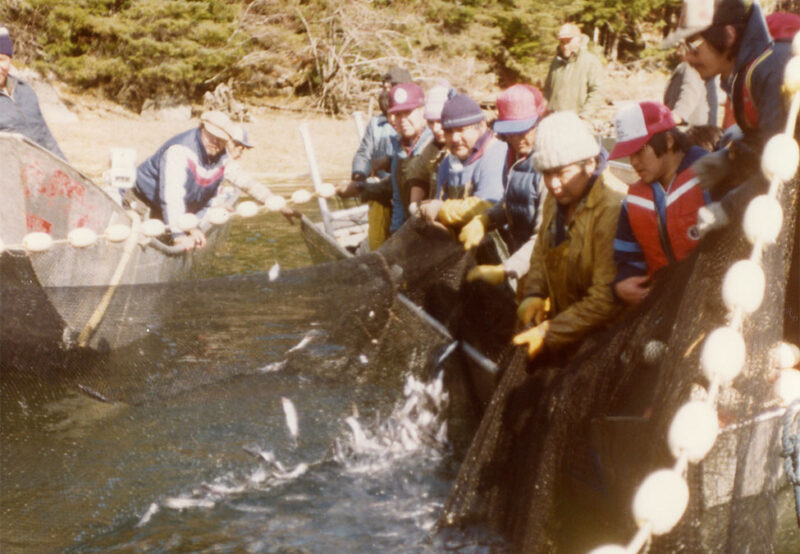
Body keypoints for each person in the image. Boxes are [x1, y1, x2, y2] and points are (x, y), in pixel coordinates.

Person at [662, 0, 796, 231]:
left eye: (694, 46)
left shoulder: (771, 68)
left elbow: (783, 163)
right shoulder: (745, 72)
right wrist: (731, 159)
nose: (688, 58)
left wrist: (729, 207)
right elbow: (763, 143)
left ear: (728, 35)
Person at [513, 111, 625, 361]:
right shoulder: (557, 199)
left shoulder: (612, 208)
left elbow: (605, 298)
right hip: (567, 329)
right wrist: (534, 293)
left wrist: (550, 331)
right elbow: (542, 249)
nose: (552, 184)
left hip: (603, 343)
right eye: (546, 173)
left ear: (590, 163)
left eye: (561, 172)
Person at [132, 111, 287, 251]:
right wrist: (179, 236)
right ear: (202, 129)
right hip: (143, 202)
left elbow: (247, 182)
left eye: (221, 139)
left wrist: (276, 203)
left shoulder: (222, 157)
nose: (215, 142)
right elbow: (173, 196)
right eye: (211, 135)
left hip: (171, 211)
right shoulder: (180, 151)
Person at [609, 101, 709, 306]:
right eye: (629, 154)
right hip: (661, 304)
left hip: (708, 298)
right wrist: (622, 284)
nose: (633, 162)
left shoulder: (711, 177)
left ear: (670, 140)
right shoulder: (633, 201)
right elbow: (628, 260)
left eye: (640, 151)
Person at [460, 84, 547, 286]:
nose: (517, 139)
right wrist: (485, 219)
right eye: (510, 133)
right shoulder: (514, 157)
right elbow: (511, 201)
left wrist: (508, 268)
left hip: (545, 268)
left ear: (538, 122)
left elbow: (544, 235)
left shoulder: (549, 167)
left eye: (523, 131)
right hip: (524, 263)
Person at [336, 66, 412, 249]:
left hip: (398, 196)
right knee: (377, 243)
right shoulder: (376, 124)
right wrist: (358, 177)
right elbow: (363, 153)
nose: (386, 91)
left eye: (390, 87)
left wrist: (363, 187)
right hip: (380, 197)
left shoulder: (412, 126)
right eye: (384, 87)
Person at [419, 93, 508, 228]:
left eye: (461, 129)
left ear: (482, 125)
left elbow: (487, 206)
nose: (455, 138)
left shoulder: (496, 154)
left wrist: (441, 209)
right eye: (448, 131)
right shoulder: (446, 164)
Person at [0, 25, 66, 159]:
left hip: (36, 171)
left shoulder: (25, 91)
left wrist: (67, 169)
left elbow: (45, 136)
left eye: (1, 59)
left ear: (10, 60)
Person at [402, 83, 452, 209]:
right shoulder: (432, 147)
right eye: (430, 122)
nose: (435, 129)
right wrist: (414, 206)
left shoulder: (461, 147)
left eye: (440, 121)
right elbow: (418, 175)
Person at [543, 23, 604, 120]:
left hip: (577, 121)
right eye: (562, 42)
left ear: (578, 41)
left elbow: (597, 92)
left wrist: (584, 117)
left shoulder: (590, 61)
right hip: (554, 120)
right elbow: (547, 90)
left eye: (568, 41)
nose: (565, 46)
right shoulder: (555, 62)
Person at [663, 47, 719, 127]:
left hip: (689, 132)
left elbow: (688, 97)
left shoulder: (689, 68)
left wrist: (675, 117)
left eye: (680, 47)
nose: (677, 52)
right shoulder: (696, 68)